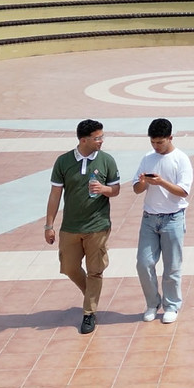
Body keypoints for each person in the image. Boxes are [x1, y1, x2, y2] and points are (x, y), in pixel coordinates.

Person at [44, 119, 121, 334]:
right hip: (70, 226)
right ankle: (91, 295)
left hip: (98, 225)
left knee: (95, 271)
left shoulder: (107, 160)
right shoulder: (63, 162)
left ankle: (89, 313)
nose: (101, 141)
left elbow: (116, 189)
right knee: (69, 267)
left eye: (102, 137)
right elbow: (55, 194)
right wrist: (48, 225)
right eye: (97, 138)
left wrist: (104, 189)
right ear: (84, 140)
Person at [134, 118, 193, 324]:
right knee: (143, 263)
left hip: (173, 218)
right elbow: (136, 189)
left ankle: (171, 305)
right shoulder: (147, 158)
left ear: (170, 138)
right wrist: (143, 182)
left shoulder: (181, 159)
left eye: (160, 142)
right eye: (153, 142)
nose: (156, 146)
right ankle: (152, 303)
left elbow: (183, 191)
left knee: (172, 266)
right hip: (149, 218)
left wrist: (161, 182)